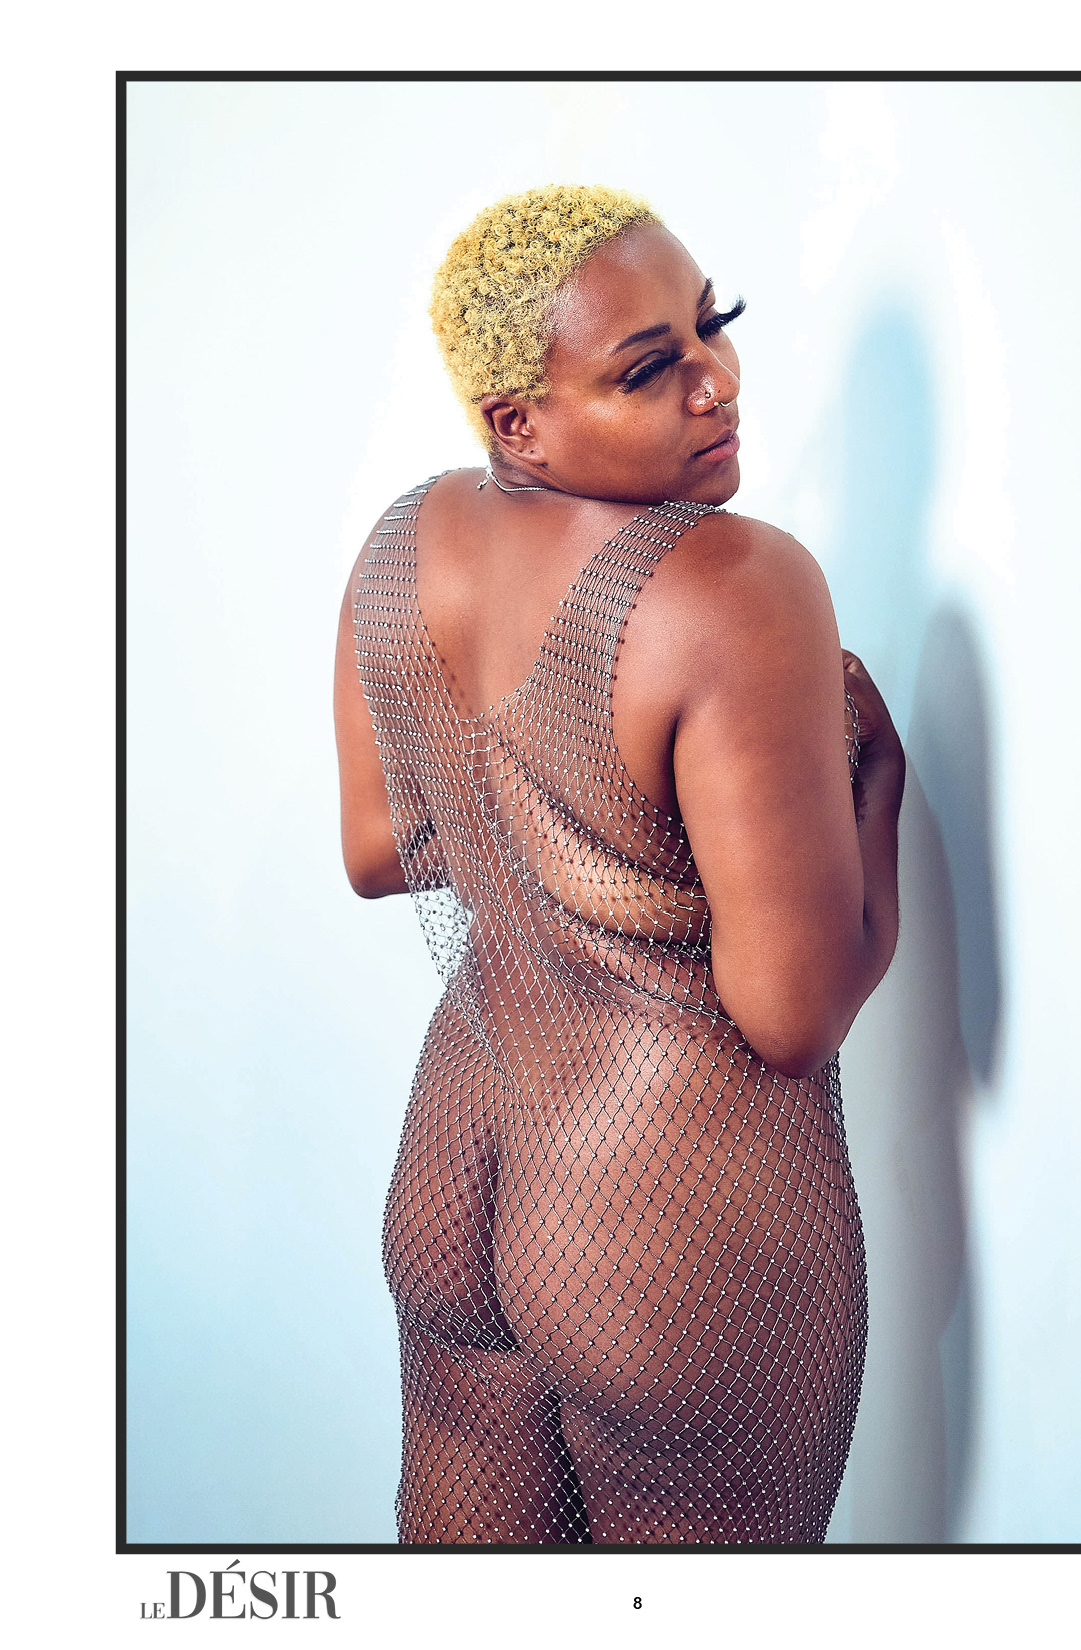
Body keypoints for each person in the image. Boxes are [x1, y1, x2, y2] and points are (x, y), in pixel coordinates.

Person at [333, 185, 905, 1545]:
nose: (717, 383)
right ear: (516, 422)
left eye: (714, 325)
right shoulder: (733, 583)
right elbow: (791, 1015)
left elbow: (376, 849)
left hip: (456, 1172)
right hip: (658, 1219)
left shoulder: (404, 546)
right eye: (649, 370)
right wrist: (873, 794)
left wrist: (561, 836)